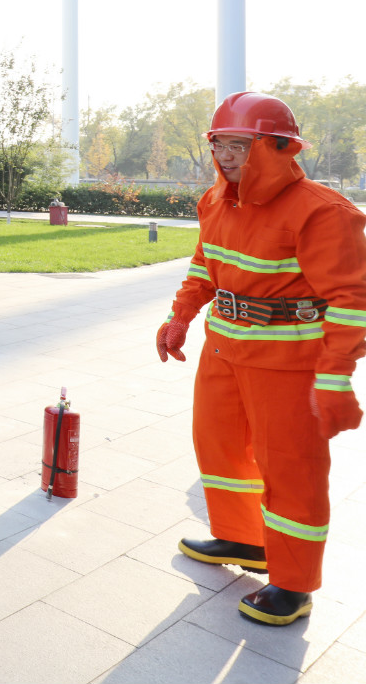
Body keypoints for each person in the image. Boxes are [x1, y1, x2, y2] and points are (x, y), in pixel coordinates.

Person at [156, 92, 366, 626]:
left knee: (292, 469)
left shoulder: (323, 211)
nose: (226, 156)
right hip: (223, 350)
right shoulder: (215, 201)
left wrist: (336, 375)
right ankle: (245, 539)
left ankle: (293, 584)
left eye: (240, 145)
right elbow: (204, 264)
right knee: (220, 447)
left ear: (279, 147)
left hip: (287, 363)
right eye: (220, 144)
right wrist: (181, 316)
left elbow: (351, 299)